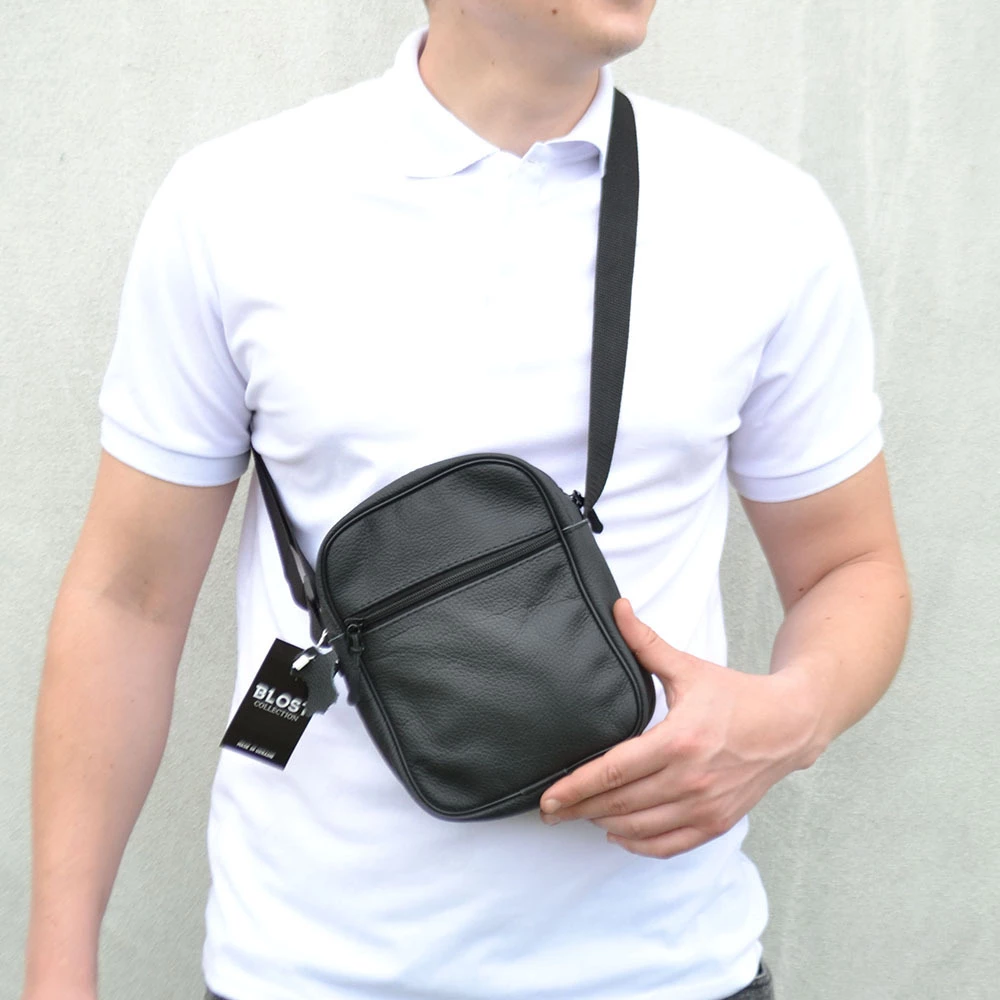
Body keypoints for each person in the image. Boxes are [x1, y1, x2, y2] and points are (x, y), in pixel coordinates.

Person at [22, 2, 912, 999]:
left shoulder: (762, 217)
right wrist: (57, 970)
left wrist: (790, 716)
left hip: (667, 969)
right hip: (307, 973)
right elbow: (128, 600)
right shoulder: (236, 204)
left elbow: (851, 566)